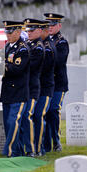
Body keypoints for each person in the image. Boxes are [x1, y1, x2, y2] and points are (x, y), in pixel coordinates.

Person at [0, 21, 30, 157]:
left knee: (13, 122)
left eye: (10, 32)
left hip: (19, 91)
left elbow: (17, 69)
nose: (8, 35)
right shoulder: (7, 46)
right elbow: (0, 63)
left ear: (18, 32)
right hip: (7, 91)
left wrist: (2, 65)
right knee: (7, 123)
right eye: (6, 32)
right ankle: (17, 151)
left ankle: (10, 152)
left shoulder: (22, 49)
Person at [42, 13, 69, 153]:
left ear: (59, 25)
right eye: (48, 24)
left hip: (58, 83)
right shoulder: (44, 40)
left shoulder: (61, 42)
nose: (50, 27)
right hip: (46, 83)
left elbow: (58, 61)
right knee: (44, 112)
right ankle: (45, 143)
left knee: (53, 110)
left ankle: (56, 140)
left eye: (53, 24)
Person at [20, 18, 45, 157]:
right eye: (28, 30)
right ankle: (27, 146)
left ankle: (33, 149)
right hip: (25, 87)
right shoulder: (28, 45)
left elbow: (29, 66)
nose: (29, 32)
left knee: (28, 116)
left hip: (32, 87)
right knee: (24, 116)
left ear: (39, 31)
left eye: (32, 30)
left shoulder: (38, 48)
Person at [34, 20, 55, 156]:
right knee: (37, 117)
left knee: (39, 116)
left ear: (44, 31)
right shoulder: (38, 45)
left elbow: (42, 69)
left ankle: (40, 146)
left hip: (45, 87)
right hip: (38, 87)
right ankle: (40, 145)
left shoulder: (47, 47)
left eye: (38, 30)